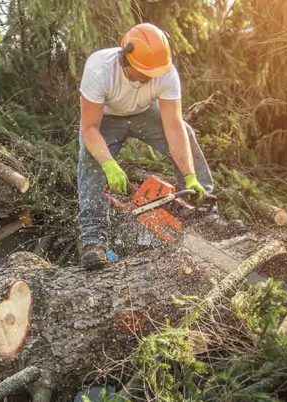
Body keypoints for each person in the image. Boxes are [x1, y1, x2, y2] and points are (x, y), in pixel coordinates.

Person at [77, 23, 214, 270]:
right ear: (125, 57)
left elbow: (173, 125)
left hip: (144, 114)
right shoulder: (99, 69)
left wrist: (190, 175)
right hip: (105, 119)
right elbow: (89, 128)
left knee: (187, 133)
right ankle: (93, 239)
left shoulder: (166, 72)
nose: (145, 79)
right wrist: (108, 164)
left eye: (149, 74)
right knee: (91, 160)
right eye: (141, 73)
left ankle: (205, 213)